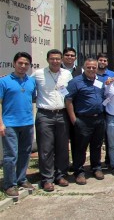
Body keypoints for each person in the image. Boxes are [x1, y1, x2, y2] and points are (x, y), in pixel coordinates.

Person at [33, 49, 72, 192]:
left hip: (62, 114)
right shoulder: (38, 74)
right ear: (47, 59)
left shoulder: (67, 74)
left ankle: (60, 175)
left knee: (62, 147)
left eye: (57, 59)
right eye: (52, 59)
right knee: (46, 148)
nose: (55, 61)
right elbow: (27, 86)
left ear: (61, 60)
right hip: (45, 115)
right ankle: (47, 179)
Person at [0, 52, 36, 198]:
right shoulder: (4, 81)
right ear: (14, 63)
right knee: (10, 155)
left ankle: (21, 179)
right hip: (10, 124)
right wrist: (1, 123)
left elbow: (33, 99)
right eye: (20, 63)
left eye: (26, 64)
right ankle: (9, 184)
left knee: (25, 153)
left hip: (27, 123)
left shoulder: (31, 81)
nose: (23, 66)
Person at [65, 58, 106, 185]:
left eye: (94, 67)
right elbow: (68, 100)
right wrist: (73, 119)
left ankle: (96, 168)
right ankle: (79, 171)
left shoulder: (99, 81)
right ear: (84, 68)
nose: (92, 69)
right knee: (80, 147)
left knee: (97, 145)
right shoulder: (75, 82)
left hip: (98, 118)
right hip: (83, 119)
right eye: (89, 67)